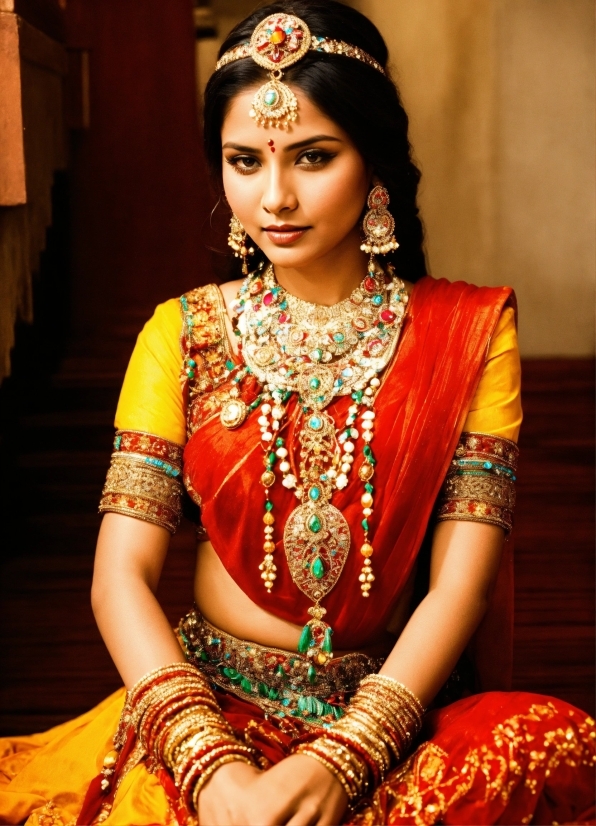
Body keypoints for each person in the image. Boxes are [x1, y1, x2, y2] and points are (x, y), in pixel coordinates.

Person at [0, 2, 594, 824]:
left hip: (392, 714)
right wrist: (212, 770)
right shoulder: (184, 333)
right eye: (244, 161)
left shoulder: (468, 332)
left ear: (373, 161)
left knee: (551, 742)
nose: (273, 196)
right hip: (207, 714)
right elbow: (119, 580)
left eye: (313, 157)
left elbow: (463, 585)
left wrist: (346, 755)